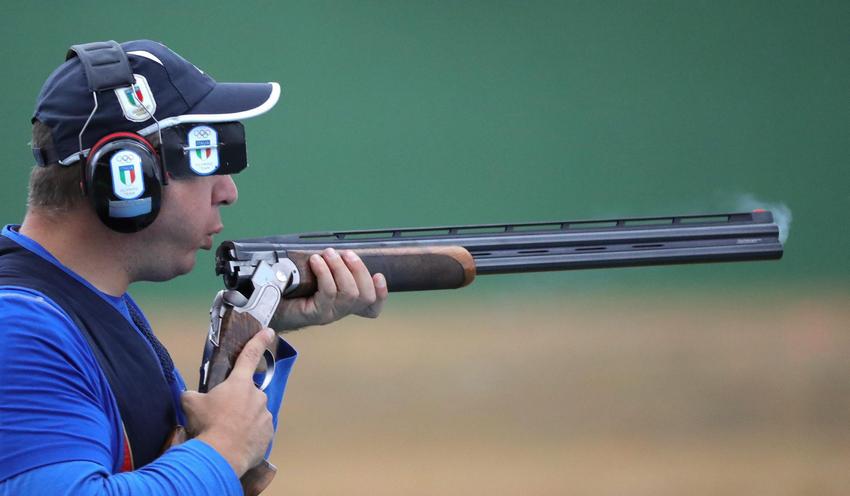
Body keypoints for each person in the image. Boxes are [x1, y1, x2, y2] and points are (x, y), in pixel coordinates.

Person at [0, 40, 388, 495]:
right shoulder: (19, 330)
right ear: (126, 175)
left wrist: (257, 328)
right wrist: (224, 447)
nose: (228, 190)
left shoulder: (85, 306)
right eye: (205, 154)